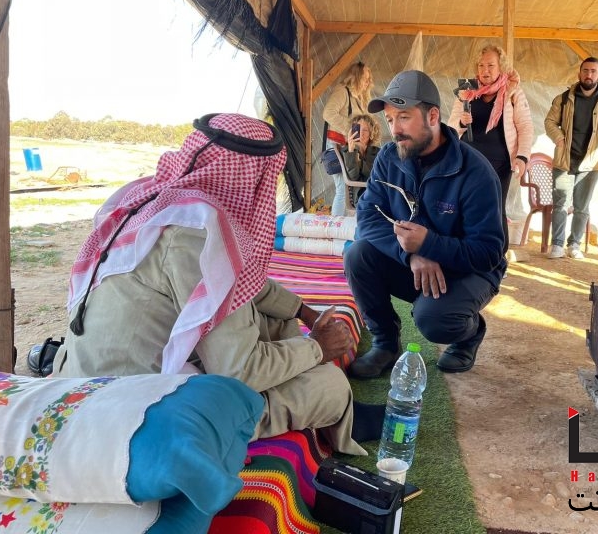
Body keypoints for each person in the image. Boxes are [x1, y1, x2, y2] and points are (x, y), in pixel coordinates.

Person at [51, 113, 374, 455]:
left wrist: (303, 311)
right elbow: (239, 370)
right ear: (254, 178)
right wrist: (316, 348)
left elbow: (243, 283)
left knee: (275, 320)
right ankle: (331, 411)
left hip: (87, 375)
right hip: (129, 410)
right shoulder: (198, 236)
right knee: (329, 385)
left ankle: (307, 389)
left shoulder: (159, 200)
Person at [343, 70, 506, 377]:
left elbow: (488, 253)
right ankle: (385, 343)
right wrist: (412, 254)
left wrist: (429, 244)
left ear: (433, 116)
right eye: (390, 119)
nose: (395, 129)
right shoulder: (389, 158)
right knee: (357, 254)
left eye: (404, 117)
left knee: (434, 320)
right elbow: (367, 216)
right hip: (418, 262)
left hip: (468, 271)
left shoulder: (475, 172)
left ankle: (469, 332)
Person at [448, 44, 533, 252]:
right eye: (481, 65)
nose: (485, 71)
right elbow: (451, 127)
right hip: (468, 161)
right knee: (466, 206)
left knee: (495, 208)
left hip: (499, 163)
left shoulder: (512, 91)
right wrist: (461, 122)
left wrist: (522, 157)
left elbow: (525, 126)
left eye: (491, 65)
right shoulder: (466, 91)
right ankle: (468, 251)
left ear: (501, 66)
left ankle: (498, 255)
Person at [544, 57, 598, 258]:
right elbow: (550, 121)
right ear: (579, 73)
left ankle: (574, 245)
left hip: (591, 162)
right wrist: (559, 138)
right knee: (560, 204)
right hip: (564, 159)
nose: (589, 75)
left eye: (593, 71)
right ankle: (557, 245)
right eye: (585, 70)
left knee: (582, 207)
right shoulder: (563, 98)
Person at [322, 62, 373, 216]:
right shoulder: (342, 91)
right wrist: (351, 129)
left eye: (369, 79)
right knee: (342, 190)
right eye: (365, 78)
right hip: (337, 145)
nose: (368, 82)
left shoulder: (358, 97)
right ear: (356, 76)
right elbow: (328, 113)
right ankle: (335, 226)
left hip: (349, 148)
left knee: (350, 189)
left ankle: (345, 224)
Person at [342, 113, 381, 195]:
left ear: (371, 134)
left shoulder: (377, 152)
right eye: (358, 129)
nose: (361, 133)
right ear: (351, 132)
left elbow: (376, 175)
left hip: (378, 191)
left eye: (365, 130)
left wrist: (360, 163)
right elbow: (353, 177)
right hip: (361, 195)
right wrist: (351, 151)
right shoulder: (347, 151)